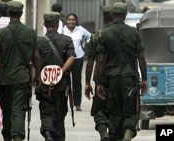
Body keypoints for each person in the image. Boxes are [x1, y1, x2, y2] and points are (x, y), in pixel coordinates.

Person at [0, 1, 41, 141]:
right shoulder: (30, 32)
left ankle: (8, 136)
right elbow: (35, 56)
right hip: (21, 78)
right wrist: (37, 75)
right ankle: (17, 138)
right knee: (18, 110)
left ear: (9, 13)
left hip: (4, 79)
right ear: (21, 14)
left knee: (7, 109)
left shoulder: (1, 33)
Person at [96, 2, 148, 141]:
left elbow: (100, 61)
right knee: (131, 110)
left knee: (114, 112)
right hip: (129, 79)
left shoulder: (104, 34)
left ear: (112, 15)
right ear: (125, 15)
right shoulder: (134, 33)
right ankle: (128, 132)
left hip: (111, 79)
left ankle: (115, 136)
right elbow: (141, 57)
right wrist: (144, 79)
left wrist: (99, 83)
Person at [36, 11, 75, 141]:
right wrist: (60, 71)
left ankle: (47, 133)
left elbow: (33, 60)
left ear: (44, 24)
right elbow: (71, 58)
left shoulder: (38, 42)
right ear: (58, 25)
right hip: (61, 84)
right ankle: (57, 137)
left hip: (43, 83)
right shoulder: (66, 40)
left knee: (46, 110)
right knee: (59, 112)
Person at [85, 5, 113, 141]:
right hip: (122, 78)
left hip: (101, 79)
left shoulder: (97, 35)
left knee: (99, 109)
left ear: (103, 18)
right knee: (118, 109)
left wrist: (87, 82)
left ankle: (104, 132)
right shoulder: (129, 34)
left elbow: (90, 61)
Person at [63, 13, 91, 111]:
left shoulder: (81, 30)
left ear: (76, 21)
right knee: (65, 81)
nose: (71, 21)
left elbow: (90, 37)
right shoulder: (62, 30)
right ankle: (63, 102)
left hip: (78, 57)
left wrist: (85, 43)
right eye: (69, 19)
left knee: (77, 81)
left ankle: (77, 103)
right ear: (66, 21)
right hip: (65, 58)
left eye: (73, 19)